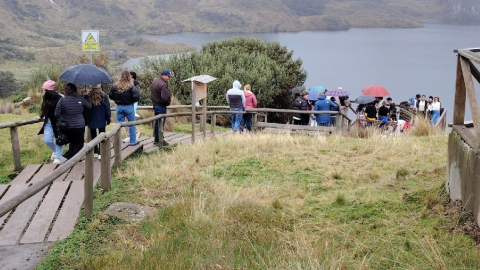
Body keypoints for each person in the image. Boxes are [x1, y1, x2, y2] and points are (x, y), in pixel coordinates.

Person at [55, 83, 92, 160]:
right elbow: (89, 106)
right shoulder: (80, 98)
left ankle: (70, 159)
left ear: (66, 90)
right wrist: (86, 96)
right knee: (79, 143)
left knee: (72, 143)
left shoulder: (62, 100)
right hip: (80, 125)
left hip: (68, 126)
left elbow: (57, 114)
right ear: (75, 90)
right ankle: (77, 160)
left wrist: (64, 116)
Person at [109, 71, 140, 146]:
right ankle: (133, 142)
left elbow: (110, 95)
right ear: (129, 76)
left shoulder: (115, 85)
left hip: (119, 107)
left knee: (118, 125)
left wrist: (117, 100)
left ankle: (117, 142)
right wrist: (131, 101)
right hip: (129, 107)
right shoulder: (131, 86)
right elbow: (136, 97)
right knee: (131, 124)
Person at [37, 80, 64, 165]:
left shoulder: (59, 98)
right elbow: (44, 108)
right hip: (48, 122)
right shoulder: (45, 97)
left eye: (44, 89)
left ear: (48, 90)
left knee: (58, 139)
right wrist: (41, 116)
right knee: (47, 140)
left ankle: (58, 158)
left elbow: (62, 110)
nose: (43, 91)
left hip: (57, 122)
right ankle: (57, 152)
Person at [86, 84, 111, 159]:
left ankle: (95, 151)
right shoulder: (104, 96)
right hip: (101, 118)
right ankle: (101, 152)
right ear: (99, 87)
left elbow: (85, 108)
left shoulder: (88, 96)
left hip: (91, 118)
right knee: (102, 135)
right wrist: (108, 118)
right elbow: (107, 108)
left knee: (93, 135)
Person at [151, 69, 173, 145]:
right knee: (161, 123)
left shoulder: (155, 81)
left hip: (155, 105)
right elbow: (165, 98)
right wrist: (168, 103)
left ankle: (156, 139)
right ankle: (160, 140)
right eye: (168, 76)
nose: (169, 78)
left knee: (157, 123)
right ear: (164, 75)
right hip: (161, 106)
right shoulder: (163, 84)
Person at [122, 71, 141, 143]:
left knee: (129, 120)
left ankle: (132, 134)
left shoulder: (134, 85)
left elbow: (135, 95)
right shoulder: (131, 84)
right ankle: (129, 135)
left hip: (131, 105)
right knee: (127, 120)